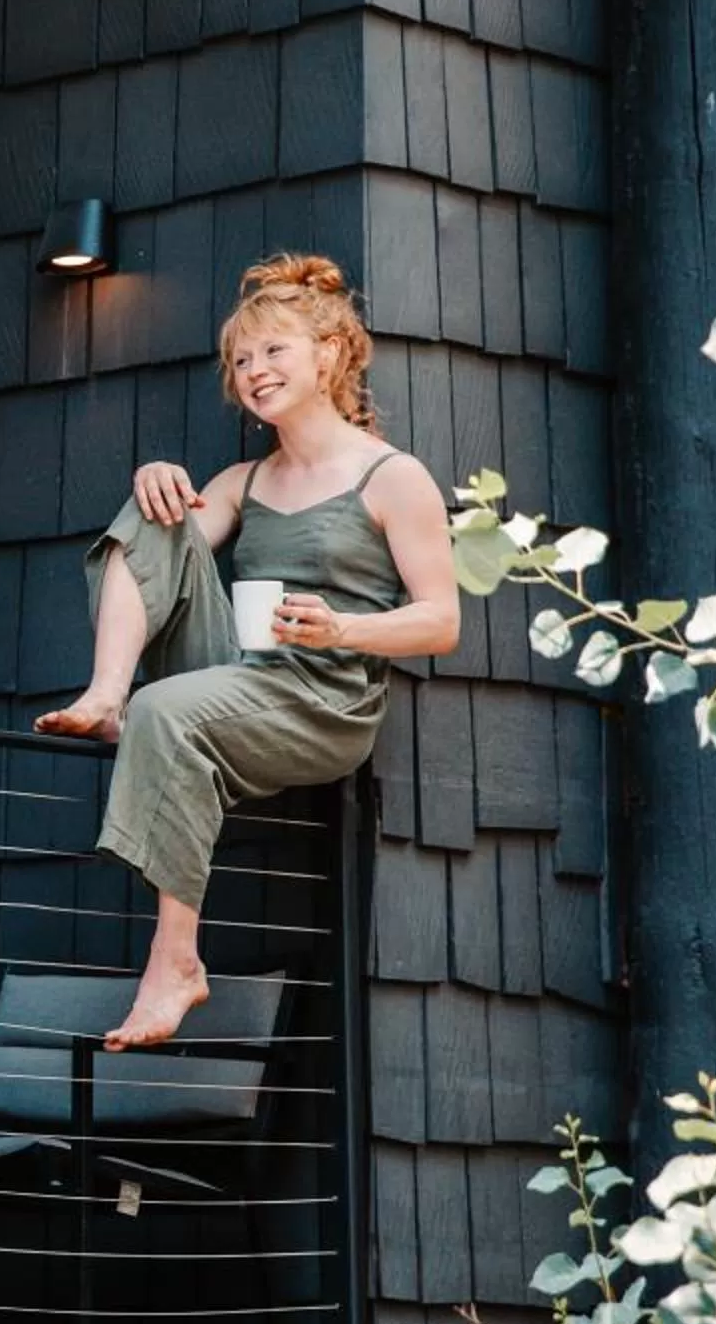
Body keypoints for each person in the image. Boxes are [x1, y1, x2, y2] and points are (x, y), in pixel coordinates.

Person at [36, 254, 460, 1046]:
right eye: (242, 359)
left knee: (164, 711)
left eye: (274, 351)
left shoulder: (392, 479)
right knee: (155, 506)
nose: (255, 371)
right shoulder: (243, 478)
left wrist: (342, 629)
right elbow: (159, 561)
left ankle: (175, 961)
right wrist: (156, 479)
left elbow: (440, 621)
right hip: (245, 672)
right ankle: (105, 694)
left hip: (325, 698)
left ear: (328, 355)